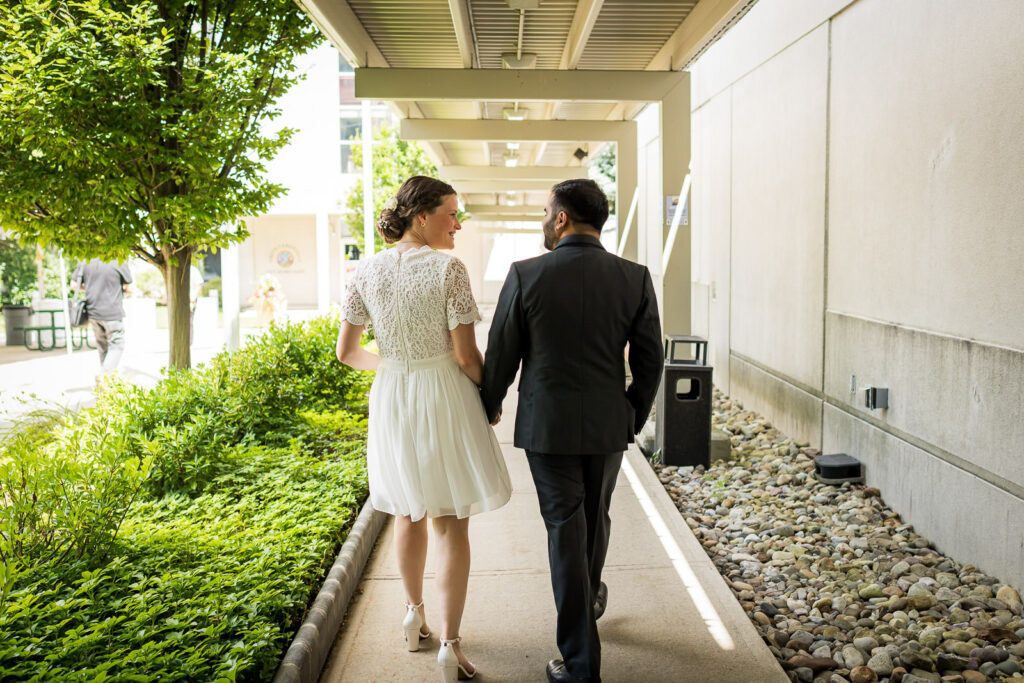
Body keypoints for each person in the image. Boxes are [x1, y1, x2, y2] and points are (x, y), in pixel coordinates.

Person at [480, 179, 662, 683]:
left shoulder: (526, 275)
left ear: (561, 218)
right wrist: (631, 415)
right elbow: (651, 363)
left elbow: (501, 357)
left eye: (545, 211)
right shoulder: (635, 278)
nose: (543, 218)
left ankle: (581, 665)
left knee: (566, 530)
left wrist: (490, 404)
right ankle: (590, 593)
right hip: (607, 426)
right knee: (594, 519)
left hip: (547, 428)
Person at [336, 175, 512, 683]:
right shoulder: (448, 269)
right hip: (443, 396)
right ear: (421, 216)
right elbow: (465, 355)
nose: (458, 224)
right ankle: (450, 648)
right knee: (450, 521)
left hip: (392, 397)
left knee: (407, 512)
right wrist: (489, 395)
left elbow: (347, 352)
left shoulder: (364, 270)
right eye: (452, 214)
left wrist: (394, 366)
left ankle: (413, 616)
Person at [71, 258, 133, 376]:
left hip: (93, 313)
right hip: (112, 312)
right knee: (117, 345)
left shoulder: (86, 261)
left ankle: (106, 386)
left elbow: (74, 285)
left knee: (103, 347)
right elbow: (129, 289)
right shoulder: (119, 261)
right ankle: (104, 376)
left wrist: (89, 288)